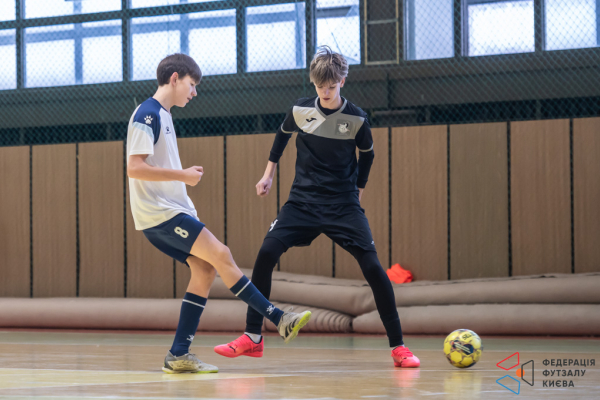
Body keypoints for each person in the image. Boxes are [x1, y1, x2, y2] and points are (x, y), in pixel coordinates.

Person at [214, 47, 420, 368]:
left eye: (331, 86)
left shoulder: (356, 118)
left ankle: (399, 347)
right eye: (320, 86)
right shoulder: (300, 110)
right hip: (302, 202)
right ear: (313, 83)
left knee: (373, 268)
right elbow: (281, 137)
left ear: (342, 82)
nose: (325, 92)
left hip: (343, 205)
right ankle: (253, 337)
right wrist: (268, 174)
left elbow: (368, 155)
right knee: (266, 253)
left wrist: (358, 191)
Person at [126, 53, 312, 374]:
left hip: (170, 212)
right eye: (192, 84)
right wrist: (183, 175)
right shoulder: (148, 114)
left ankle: (178, 354)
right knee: (221, 254)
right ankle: (279, 318)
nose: (194, 92)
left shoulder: (163, 115)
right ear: (175, 78)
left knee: (205, 270)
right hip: (160, 214)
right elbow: (134, 167)